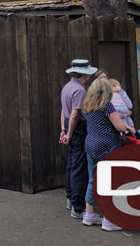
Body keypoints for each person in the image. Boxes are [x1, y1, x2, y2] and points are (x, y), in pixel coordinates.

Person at [82, 78, 136, 231]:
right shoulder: (106, 105)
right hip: (107, 145)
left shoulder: (88, 106)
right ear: (107, 91)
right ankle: (108, 220)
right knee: (109, 182)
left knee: (93, 181)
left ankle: (89, 216)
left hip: (90, 144)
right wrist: (128, 128)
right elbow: (119, 126)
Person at [59, 59, 96, 219]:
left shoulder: (67, 87)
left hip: (68, 124)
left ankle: (70, 198)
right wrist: (71, 133)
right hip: (77, 127)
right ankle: (78, 206)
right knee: (79, 167)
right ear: (85, 74)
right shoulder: (80, 90)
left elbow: (64, 110)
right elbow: (75, 113)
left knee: (71, 163)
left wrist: (64, 130)